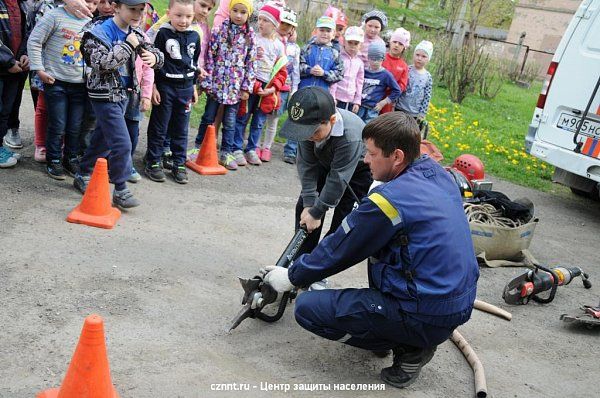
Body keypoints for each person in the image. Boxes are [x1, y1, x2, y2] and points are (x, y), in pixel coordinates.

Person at [263, 111, 479, 389]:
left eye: (372, 153)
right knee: (385, 246)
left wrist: (291, 276)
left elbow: (339, 249)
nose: (365, 160)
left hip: (424, 312)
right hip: (455, 303)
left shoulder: (389, 202)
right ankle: (401, 330)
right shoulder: (438, 174)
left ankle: (409, 346)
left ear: (397, 157)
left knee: (307, 309)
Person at [74, 0, 164, 207]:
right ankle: (121, 189)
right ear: (116, 7)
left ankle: (83, 172)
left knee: (103, 139)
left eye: (141, 10)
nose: (138, 14)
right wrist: (127, 45)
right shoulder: (97, 33)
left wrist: (154, 57)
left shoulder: (137, 32)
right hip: (103, 94)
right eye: (132, 9)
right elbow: (102, 64)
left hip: (125, 94)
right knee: (123, 143)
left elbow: (157, 56)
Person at [279, 86, 373, 264]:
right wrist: (310, 204)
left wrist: (318, 211)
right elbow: (307, 164)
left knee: (342, 221)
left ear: (331, 120)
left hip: (355, 172)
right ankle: (301, 262)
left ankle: (321, 266)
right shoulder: (308, 131)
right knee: (304, 208)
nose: (308, 137)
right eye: (303, 133)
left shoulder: (350, 136)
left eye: (314, 132)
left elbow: (338, 178)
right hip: (325, 162)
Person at [28, 0, 98, 179]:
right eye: (87, 1)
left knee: (75, 126)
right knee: (58, 124)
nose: (90, 6)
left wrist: (90, 72)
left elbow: (93, 53)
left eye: (95, 3)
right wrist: (39, 69)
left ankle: (70, 158)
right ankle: (54, 160)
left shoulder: (91, 24)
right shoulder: (54, 16)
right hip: (55, 82)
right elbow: (35, 41)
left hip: (80, 85)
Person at [195, 0, 255, 171]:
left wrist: (246, 88)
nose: (238, 15)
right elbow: (210, 56)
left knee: (230, 122)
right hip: (216, 85)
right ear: (229, 11)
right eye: (235, 10)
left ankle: (226, 152)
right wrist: (207, 81)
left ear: (248, 14)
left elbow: (251, 64)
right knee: (208, 117)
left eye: (243, 12)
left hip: (235, 90)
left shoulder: (250, 36)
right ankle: (199, 146)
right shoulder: (219, 30)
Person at [145, 0, 200, 184]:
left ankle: (179, 163)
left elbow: (194, 63)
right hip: (165, 87)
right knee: (160, 126)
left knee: (181, 128)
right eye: (178, 15)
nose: (183, 20)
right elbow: (153, 62)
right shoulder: (162, 34)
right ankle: (153, 160)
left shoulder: (195, 36)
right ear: (169, 13)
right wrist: (153, 86)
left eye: (188, 16)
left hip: (185, 89)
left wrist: (193, 86)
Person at [233, 2, 285, 166]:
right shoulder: (252, 39)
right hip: (250, 85)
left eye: (265, 20)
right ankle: (236, 148)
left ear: (275, 25)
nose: (260, 23)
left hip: (267, 90)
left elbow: (282, 72)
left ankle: (251, 149)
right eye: (260, 19)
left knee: (259, 122)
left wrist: (272, 88)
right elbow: (243, 61)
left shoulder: (279, 46)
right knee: (242, 117)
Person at [258, 5, 296, 163]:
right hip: (266, 83)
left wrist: (294, 88)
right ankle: (255, 145)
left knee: (273, 119)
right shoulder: (267, 40)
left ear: (292, 28)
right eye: (282, 23)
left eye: (288, 25)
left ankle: (266, 147)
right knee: (259, 117)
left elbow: (294, 71)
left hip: (283, 88)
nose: (284, 27)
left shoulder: (294, 47)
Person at [0, 0, 29, 168]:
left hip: (14, 68)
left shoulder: (22, 4)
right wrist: (8, 62)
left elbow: (27, 32)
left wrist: (25, 54)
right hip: (6, 65)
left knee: (5, 111)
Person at [358, 41, 401, 124]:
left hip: (373, 109)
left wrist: (383, 102)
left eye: (378, 59)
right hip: (360, 106)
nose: (375, 62)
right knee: (357, 125)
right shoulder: (363, 71)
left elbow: (397, 90)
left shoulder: (386, 75)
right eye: (372, 59)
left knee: (369, 128)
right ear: (368, 57)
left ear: (383, 59)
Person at [298, 16, 343, 91]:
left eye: (328, 31)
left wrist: (324, 73)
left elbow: (339, 74)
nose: (325, 33)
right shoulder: (306, 49)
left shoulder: (335, 53)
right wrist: (309, 70)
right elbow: (297, 66)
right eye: (321, 30)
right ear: (316, 31)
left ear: (333, 34)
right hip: (304, 91)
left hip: (322, 94)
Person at [396, 40, 433, 127]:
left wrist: (422, 113)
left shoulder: (428, 77)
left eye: (424, 56)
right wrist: (394, 103)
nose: (419, 58)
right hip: (400, 108)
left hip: (414, 113)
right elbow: (399, 87)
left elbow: (427, 96)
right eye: (417, 55)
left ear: (428, 59)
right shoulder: (406, 69)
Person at [330, 26, 364, 114]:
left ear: (360, 45)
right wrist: (332, 96)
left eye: (356, 43)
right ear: (344, 42)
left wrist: (357, 101)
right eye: (350, 43)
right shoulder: (339, 58)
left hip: (350, 100)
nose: (352, 46)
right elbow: (334, 78)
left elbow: (359, 82)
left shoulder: (359, 62)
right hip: (336, 97)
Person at [280, 23, 301, 165]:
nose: (292, 34)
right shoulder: (279, 43)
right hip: (276, 87)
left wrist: (294, 89)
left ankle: (291, 150)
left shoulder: (297, 49)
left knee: (293, 117)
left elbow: (297, 70)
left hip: (290, 88)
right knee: (271, 116)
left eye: (294, 31)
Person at [381, 27, 410, 114]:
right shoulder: (381, 57)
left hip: (388, 101)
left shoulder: (403, 66)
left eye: (400, 44)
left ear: (404, 48)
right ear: (390, 42)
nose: (396, 45)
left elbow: (402, 85)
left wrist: (393, 90)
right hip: (374, 95)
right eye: (394, 42)